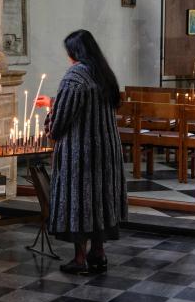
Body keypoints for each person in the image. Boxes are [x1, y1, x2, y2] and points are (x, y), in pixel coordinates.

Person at [36, 29, 128, 274]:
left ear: (74, 52)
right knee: (99, 201)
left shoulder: (74, 76)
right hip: (106, 151)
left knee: (79, 202)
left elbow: (61, 122)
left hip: (81, 154)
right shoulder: (103, 73)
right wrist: (53, 102)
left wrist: (50, 119)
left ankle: (79, 259)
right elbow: (89, 105)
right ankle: (98, 254)